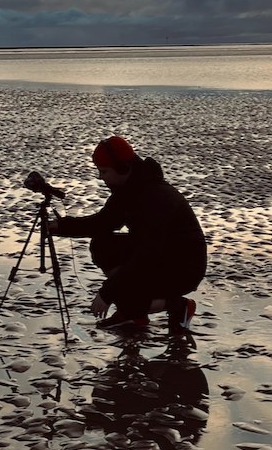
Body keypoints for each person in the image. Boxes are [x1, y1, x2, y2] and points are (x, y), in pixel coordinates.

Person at [51, 136, 207, 333]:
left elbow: (147, 254)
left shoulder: (156, 197)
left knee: (127, 296)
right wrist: (60, 227)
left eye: (104, 171)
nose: (100, 177)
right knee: (102, 244)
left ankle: (177, 306)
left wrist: (107, 293)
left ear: (124, 168)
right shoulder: (127, 190)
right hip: (158, 255)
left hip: (183, 267)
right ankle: (132, 312)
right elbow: (102, 223)